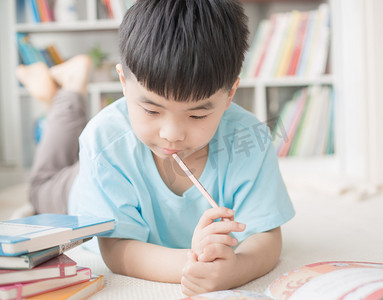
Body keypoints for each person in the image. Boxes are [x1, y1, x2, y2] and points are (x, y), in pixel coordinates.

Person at [24, 0, 295, 296]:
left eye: (197, 115)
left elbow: (267, 236)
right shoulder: (103, 142)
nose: (172, 135)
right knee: (40, 186)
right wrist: (192, 264)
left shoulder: (250, 139)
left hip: (118, 154)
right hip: (73, 188)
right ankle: (67, 93)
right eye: (151, 110)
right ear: (123, 82)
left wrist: (236, 269)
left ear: (230, 94)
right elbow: (116, 249)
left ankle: (67, 94)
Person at [16, 55, 92, 215]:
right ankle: (67, 92)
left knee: (41, 186)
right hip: (71, 181)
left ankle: (60, 97)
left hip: (74, 178)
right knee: (41, 186)